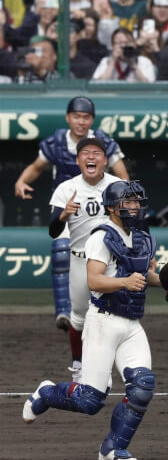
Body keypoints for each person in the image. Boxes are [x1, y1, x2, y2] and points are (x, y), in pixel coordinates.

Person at [23, 180, 168, 460]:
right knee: (89, 401)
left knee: (142, 386)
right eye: (129, 202)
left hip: (132, 324)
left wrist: (166, 280)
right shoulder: (101, 236)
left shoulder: (141, 237)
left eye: (137, 201)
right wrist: (125, 281)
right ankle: (46, 393)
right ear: (112, 207)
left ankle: (113, 447)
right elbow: (94, 279)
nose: (135, 207)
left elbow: (143, 277)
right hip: (102, 322)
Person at [14, 96, 128, 331]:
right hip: (67, 207)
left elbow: (122, 175)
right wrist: (21, 181)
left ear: (92, 120)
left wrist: (122, 202)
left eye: (86, 117)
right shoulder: (57, 142)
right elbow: (37, 166)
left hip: (98, 209)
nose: (81, 122)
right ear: (68, 118)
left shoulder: (102, 142)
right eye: (76, 116)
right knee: (61, 250)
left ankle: (103, 309)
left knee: (106, 255)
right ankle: (64, 312)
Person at [48, 133, 122, 383]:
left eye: (96, 153)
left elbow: (136, 223)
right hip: (80, 260)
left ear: (105, 160)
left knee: (113, 315)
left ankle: (105, 368)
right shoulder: (67, 189)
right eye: (85, 154)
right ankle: (79, 366)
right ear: (78, 160)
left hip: (112, 262)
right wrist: (62, 216)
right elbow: (53, 231)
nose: (91, 157)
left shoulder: (117, 186)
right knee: (79, 316)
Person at [92, 27, 156, 82]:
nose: (123, 46)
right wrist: (112, 63)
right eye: (119, 43)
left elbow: (149, 87)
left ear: (134, 45)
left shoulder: (144, 61)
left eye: (126, 42)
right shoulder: (106, 61)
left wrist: (133, 65)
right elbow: (98, 85)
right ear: (112, 46)